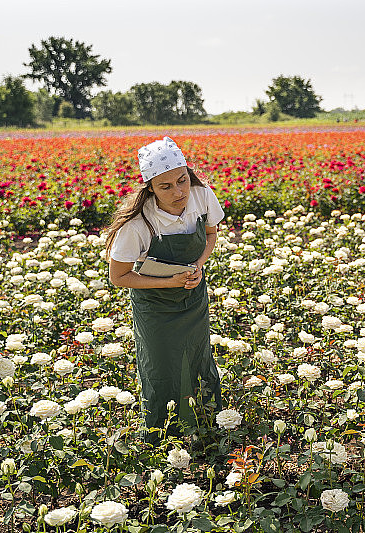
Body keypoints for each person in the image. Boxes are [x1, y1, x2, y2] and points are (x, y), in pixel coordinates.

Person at [105, 136, 223, 442]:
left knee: (198, 357)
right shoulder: (138, 223)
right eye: (165, 186)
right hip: (154, 306)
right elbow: (119, 276)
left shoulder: (201, 195)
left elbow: (211, 234)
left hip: (193, 296)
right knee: (161, 367)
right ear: (150, 189)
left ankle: (207, 427)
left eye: (182, 180)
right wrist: (168, 282)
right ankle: (161, 438)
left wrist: (197, 265)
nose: (178, 192)